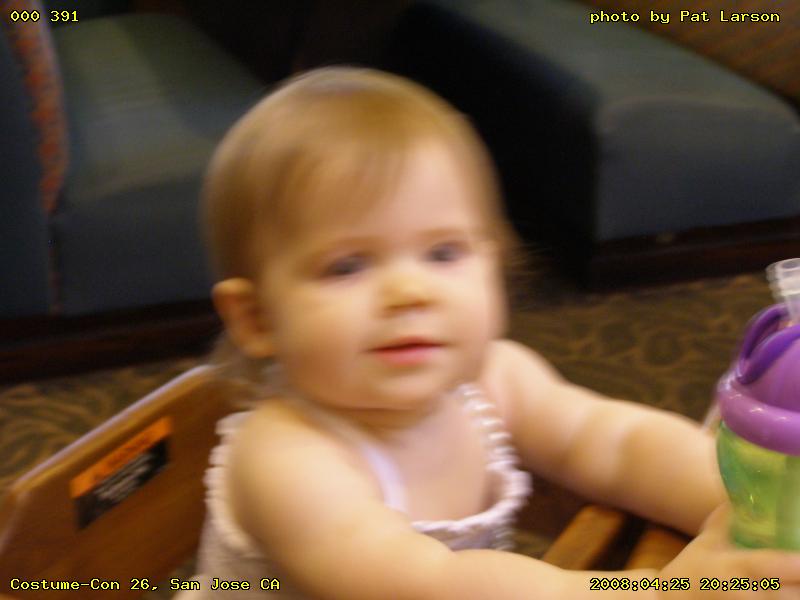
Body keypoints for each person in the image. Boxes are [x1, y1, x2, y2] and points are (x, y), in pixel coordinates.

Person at [177, 67, 800, 599]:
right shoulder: (286, 459)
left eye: (443, 252)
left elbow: (617, 444)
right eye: (347, 266)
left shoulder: (495, 377)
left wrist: (748, 505)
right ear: (257, 319)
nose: (410, 291)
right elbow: (430, 584)